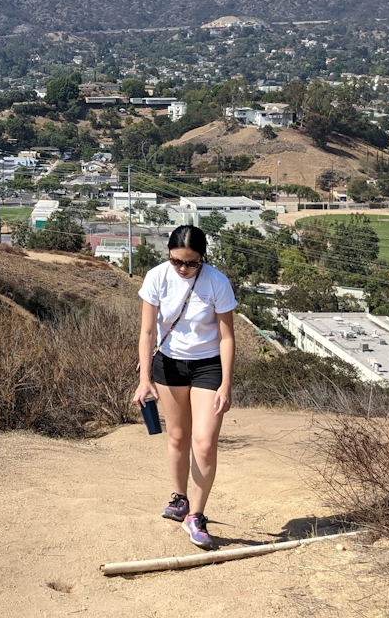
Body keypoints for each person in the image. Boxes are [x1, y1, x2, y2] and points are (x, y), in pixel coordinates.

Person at [133, 224, 236, 549]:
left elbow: (227, 336)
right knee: (177, 436)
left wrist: (226, 384)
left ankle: (197, 515)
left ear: (203, 258)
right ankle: (180, 498)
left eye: (191, 263)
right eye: (177, 261)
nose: (183, 269)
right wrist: (144, 379)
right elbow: (147, 333)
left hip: (208, 365)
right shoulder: (157, 277)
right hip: (169, 363)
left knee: (204, 443)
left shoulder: (217, 282)